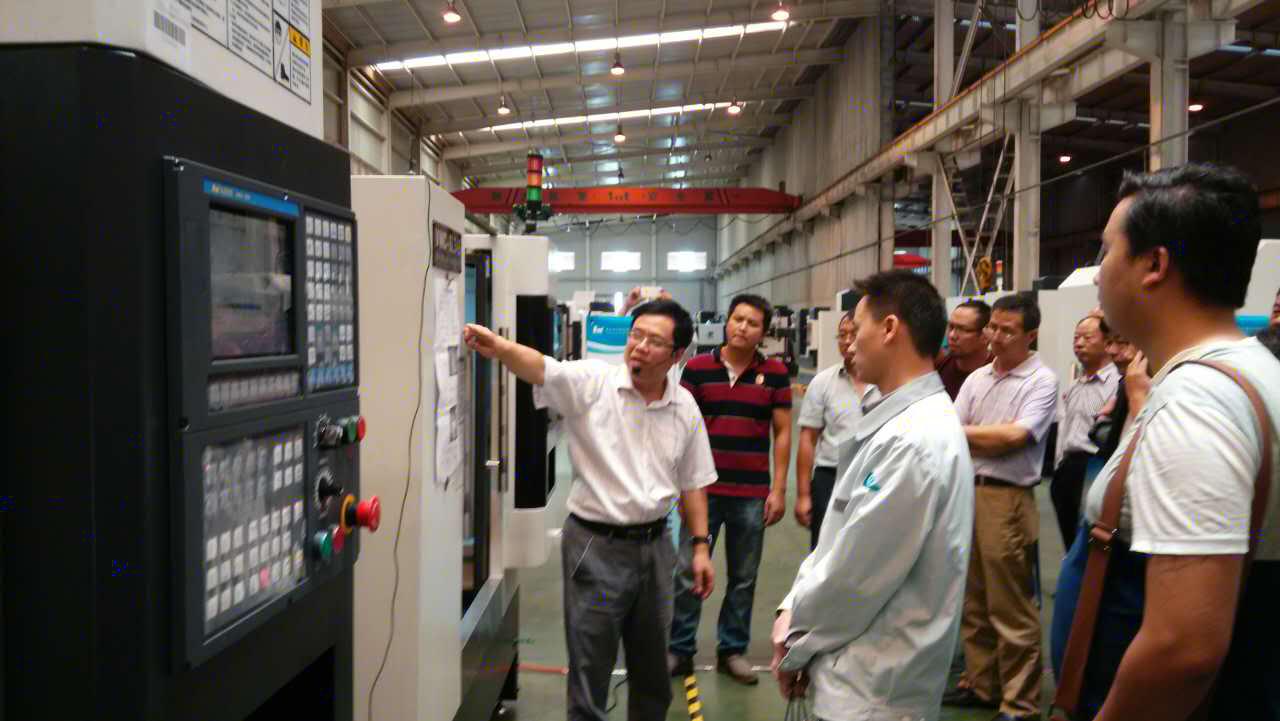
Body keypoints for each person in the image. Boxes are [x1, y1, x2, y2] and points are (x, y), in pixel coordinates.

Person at [1050, 163, 1280, 721]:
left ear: (1154, 266)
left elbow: (1184, 647)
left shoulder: (1198, 402)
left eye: (1107, 251)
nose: (1098, 274)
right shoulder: (1248, 370)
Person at [462, 299, 717, 721]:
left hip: (656, 550)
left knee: (653, 670)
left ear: (676, 355)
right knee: (590, 665)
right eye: (636, 334)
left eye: (654, 341)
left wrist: (701, 547)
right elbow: (542, 368)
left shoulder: (684, 406)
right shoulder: (593, 383)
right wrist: (500, 347)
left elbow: (694, 482)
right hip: (596, 549)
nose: (639, 346)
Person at [770, 270, 975, 721]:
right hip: (863, 676)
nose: (849, 342)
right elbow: (841, 541)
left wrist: (795, 639)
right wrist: (794, 609)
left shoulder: (913, 441)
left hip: (875, 690)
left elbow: (855, 577)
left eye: (857, 328)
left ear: (889, 329)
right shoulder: (899, 420)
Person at [944, 293, 1058, 721]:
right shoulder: (978, 379)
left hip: (1007, 500)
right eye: (993, 327)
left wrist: (969, 433)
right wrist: (986, 435)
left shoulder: (1041, 381)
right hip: (967, 493)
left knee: (1010, 607)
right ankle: (983, 685)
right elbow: (953, 429)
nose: (995, 336)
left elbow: (1015, 438)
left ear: (1031, 335)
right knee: (974, 602)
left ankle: (1020, 704)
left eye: (1007, 330)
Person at [669, 293, 792, 685]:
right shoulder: (697, 369)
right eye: (738, 319)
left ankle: (732, 650)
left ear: (763, 332)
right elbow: (681, 428)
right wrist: (679, 484)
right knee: (687, 571)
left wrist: (779, 488)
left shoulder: (775, 373)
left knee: (743, 576)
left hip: (751, 493)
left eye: (752, 323)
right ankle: (679, 648)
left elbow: (783, 432)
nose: (742, 327)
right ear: (727, 322)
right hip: (700, 491)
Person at [794, 309, 877, 550]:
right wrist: (803, 495)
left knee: (869, 549)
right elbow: (808, 440)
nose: (847, 340)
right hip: (830, 478)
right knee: (824, 550)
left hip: (875, 476)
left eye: (854, 333)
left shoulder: (886, 381)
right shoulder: (823, 382)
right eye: (842, 334)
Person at [1049, 315, 1119, 547]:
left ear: (1108, 342)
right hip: (1067, 469)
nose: (1079, 343)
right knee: (1070, 541)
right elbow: (1064, 428)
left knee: (1091, 542)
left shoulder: (1117, 382)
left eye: (1087, 338)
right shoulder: (1074, 385)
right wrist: (1059, 466)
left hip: (1095, 467)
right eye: (1076, 338)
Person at [936, 299, 993, 399]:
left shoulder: (998, 372)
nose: (952, 335)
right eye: (951, 327)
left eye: (962, 329)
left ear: (985, 336)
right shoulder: (940, 368)